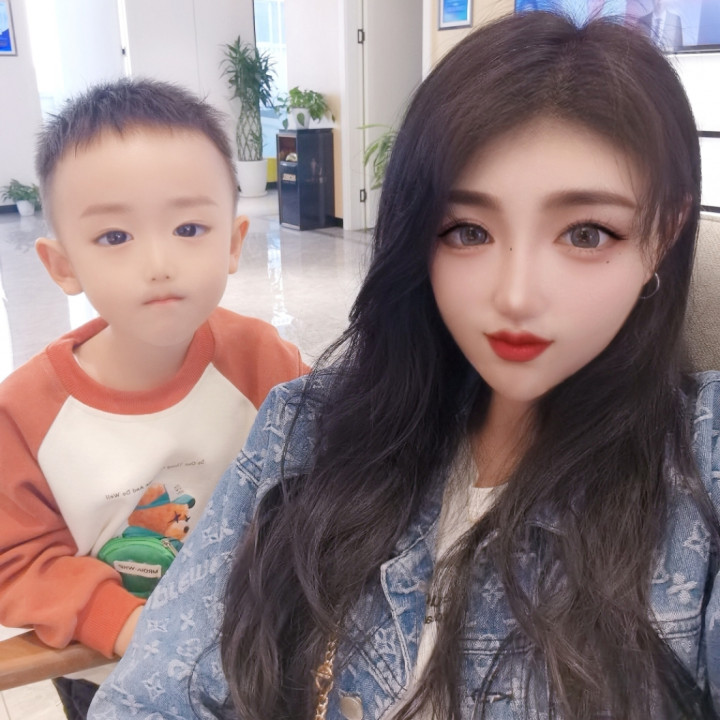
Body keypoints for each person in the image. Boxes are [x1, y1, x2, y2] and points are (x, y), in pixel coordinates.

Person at [90, 12, 720, 720]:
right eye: (468, 231)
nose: (515, 296)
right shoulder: (303, 430)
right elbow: (152, 696)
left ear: (664, 233)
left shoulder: (703, 459)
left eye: (586, 233)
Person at [0, 79, 307, 719]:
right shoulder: (24, 413)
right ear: (62, 265)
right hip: (115, 677)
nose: (160, 262)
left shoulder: (264, 362)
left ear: (233, 242)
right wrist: (127, 625)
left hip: (261, 656)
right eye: (115, 237)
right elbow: (18, 561)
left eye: (189, 227)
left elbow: (328, 469)